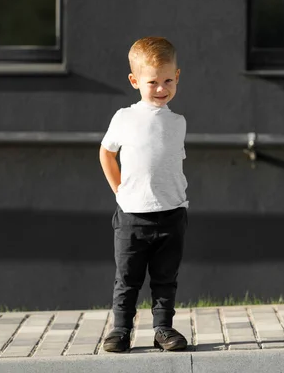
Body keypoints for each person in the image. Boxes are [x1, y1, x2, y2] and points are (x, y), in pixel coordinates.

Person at [99, 36, 189, 352]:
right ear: (135, 81)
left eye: (168, 80)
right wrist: (119, 189)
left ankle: (163, 329)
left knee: (165, 280)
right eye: (153, 82)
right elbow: (106, 153)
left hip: (172, 215)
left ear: (177, 77)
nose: (161, 88)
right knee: (127, 280)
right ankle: (120, 331)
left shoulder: (178, 123)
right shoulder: (124, 118)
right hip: (132, 217)